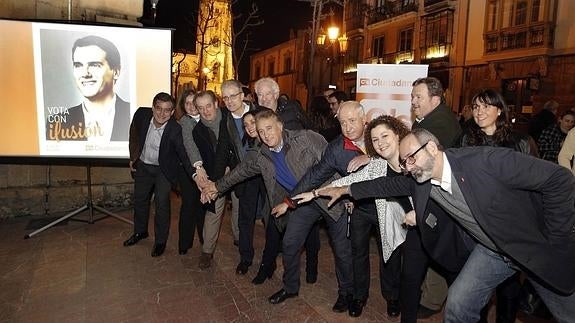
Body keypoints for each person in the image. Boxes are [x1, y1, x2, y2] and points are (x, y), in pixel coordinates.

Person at [319, 127, 575, 323]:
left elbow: (559, 179)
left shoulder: (486, 161)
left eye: (410, 159)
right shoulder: (422, 180)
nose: (408, 168)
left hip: (533, 244)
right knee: (458, 305)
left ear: (431, 148)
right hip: (492, 251)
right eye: (404, 163)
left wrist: (555, 238)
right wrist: (345, 189)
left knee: (568, 313)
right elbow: (388, 184)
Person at [201, 110, 343, 310]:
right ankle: (291, 287)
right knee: (290, 243)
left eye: (269, 128)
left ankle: (347, 294)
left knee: (342, 250)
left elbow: (333, 163)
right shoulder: (262, 155)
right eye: (261, 131)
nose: (266, 135)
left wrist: (345, 192)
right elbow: (240, 172)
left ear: (280, 126)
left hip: (329, 196)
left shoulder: (306, 138)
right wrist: (216, 187)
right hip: (299, 202)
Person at [286, 101, 401, 318]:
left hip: (388, 204)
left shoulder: (380, 135)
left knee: (390, 252)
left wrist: (371, 156)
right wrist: (290, 198)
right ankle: (358, 296)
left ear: (364, 120)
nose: (347, 127)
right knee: (357, 253)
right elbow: (316, 174)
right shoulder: (337, 148)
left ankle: (392, 297)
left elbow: (400, 153)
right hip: (359, 207)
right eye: (342, 122)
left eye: (352, 121)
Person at [459, 89, 538, 323]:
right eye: (476, 107)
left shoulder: (521, 142)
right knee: (478, 288)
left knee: (509, 287)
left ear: (499, 110)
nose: (479, 111)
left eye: (486, 106)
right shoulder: (466, 139)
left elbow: (535, 182)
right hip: (477, 223)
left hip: (512, 225)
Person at [410, 76, 462, 318]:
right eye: (412, 97)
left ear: (435, 99)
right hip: (433, 190)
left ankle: (433, 300)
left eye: (418, 97)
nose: (413, 102)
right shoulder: (430, 119)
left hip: (439, 193)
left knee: (437, 245)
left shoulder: (439, 124)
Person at [123, 92, 195, 257]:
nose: (162, 114)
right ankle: (140, 232)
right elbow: (133, 134)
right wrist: (133, 156)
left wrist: (195, 174)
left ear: (171, 112)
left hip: (164, 169)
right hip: (143, 166)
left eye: (167, 110)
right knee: (140, 200)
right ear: (153, 108)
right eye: (159, 109)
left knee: (162, 203)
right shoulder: (141, 114)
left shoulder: (175, 129)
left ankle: (160, 241)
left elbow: (183, 154)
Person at [46, 35, 130, 142]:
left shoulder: (133, 115)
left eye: (94, 65)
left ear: (116, 72)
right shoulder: (56, 123)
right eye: (78, 65)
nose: (85, 74)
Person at [192, 90, 240, 270]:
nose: (205, 111)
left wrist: (231, 166)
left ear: (216, 104)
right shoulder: (198, 131)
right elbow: (203, 157)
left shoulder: (230, 118)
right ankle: (207, 251)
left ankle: (239, 238)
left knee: (239, 207)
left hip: (237, 172)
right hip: (216, 176)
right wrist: (208, 184)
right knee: (213, 213)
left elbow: (240, 147)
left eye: (208, 106)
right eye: (201, 108)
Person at [220, 79, 258, 274]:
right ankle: (246, 258)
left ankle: (276, 252)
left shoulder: (259, 112)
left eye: (232, 96)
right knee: (245, 218)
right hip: (243, 175)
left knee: (272, 215)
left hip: (266, 172)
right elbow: (223, 148)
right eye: (225, 97)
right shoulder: (224, 118)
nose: (229, 101)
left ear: (242, 95)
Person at [176, 89, 206, 255]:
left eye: (194, 102)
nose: (191, 106)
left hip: (205, 171)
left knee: (203, 206)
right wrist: (196, 169)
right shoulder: (182, 123)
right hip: (187, 171)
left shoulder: (207, 120)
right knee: (188, 205)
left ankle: (204, 240)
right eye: (187, 103)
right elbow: (185, 149)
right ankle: (184, 243)